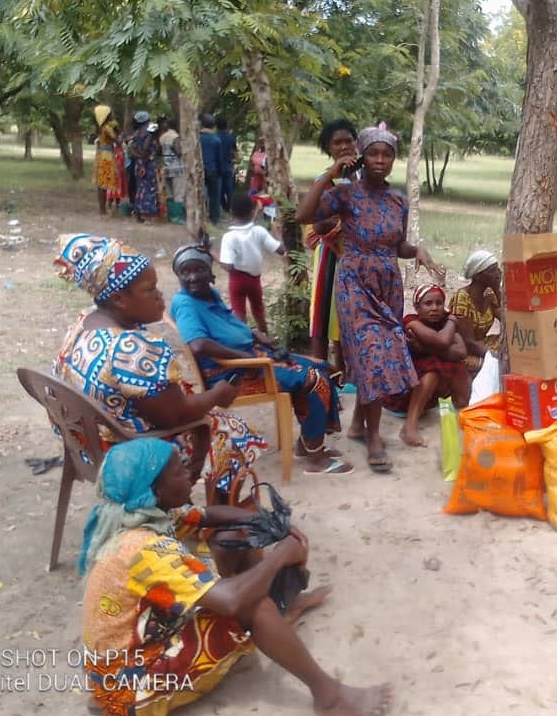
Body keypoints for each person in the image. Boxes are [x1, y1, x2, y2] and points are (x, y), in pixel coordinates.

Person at [79, 438, 393, 716]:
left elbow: (207, 515)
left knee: (233, 538)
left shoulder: (139, 513)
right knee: (254, 607)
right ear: (154, 490)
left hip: (121, 660)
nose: (191, 475)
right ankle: (329, 696)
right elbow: (231, 600)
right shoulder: (143, 549)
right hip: (130, 688)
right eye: (179, 471)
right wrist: (281, 554)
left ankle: (279, 620)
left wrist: (262, 521)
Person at [52, 233, 268, 502]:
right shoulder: (132, 348)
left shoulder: (85, 323)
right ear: (119, 299)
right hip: (126, 452)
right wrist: (218, 395)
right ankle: (206, 521)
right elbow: (174, 417)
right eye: (149, 289)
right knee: (233, 431)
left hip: (86, 445)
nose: (159, 295)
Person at [295, 126, 444, 473]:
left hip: (387, 283)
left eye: (387, 154)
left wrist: (417, 251)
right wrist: (330, 175)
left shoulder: (398, 200)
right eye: (374, 153)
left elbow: (397, 244)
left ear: (394, 159)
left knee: (380, 353)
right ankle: (375, 437)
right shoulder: (346, 194)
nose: (380, 160)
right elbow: (305, 217)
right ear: (362, 156)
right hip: (354, 281)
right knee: (372, 352)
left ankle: (359, 424)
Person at [169, 245, 350, 475]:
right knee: (314, 380)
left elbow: (229, 325)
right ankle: (315, 456)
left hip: (253, 358)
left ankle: (307, 443)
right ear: (178, 275)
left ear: (210, 271)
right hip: (233, 374)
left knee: (323, 366)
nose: (193, 276)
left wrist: (255, 335)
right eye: (186, 271)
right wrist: (246, 358)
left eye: (199, 269)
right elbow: (199, 344)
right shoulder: (186, 303)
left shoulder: (207, 293)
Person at [382, 284, 470, 447]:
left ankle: (461, 408)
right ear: (417, 307)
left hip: (427, 396)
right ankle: (409, 426)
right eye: (428, 304)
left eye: (439, 303)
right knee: (432, 369)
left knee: (457, 367)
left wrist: (424, 348)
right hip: (403, 392)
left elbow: (460, 352)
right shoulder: (411, 322)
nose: (435, 308)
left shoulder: (443, 324)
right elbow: (442, 341)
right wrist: (452, 320)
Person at [307, 119, 358, 370]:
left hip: (359, 255)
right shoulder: (325, 180)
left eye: (349, 140)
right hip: (330, 251)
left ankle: (345, 369)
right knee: (324, 310)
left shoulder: (365, 176)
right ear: (329, 148)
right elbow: (317, 222)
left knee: (347, 312)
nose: (344, 146)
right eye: (337, 143)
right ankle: (320, 372)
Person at [220, 193, 286, 332]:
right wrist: (278, 233)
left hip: (237, 280)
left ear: (231, 213)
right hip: (255, 279)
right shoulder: (259, 231)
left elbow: (228, 266)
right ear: (252, 212)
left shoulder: (229, 237)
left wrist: (212, 254)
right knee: (259, 311)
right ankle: (266, 340)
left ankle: (243, 342)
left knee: (239, 313)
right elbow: (280, 250)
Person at [448, 250, 502, 375]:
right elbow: (468, 342)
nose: (498, 273)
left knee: (510, 343)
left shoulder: (489, 294)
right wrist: (494, 356)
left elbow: (509, 324)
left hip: (481, 345)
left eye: (498, 269)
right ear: (477, 275)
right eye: (492, 270)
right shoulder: (462, 298)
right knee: (499, 367)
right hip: (465, 352)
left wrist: (497, 291)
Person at [129, 112, 163, 224]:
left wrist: (139, 157)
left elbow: (132, 149)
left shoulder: (136, 133)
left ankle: (138, 213)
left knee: (140, 188)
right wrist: (144, 157)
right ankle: (148, 216)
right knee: (149, 189)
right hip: (148, 163)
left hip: (139, 163)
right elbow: (146, 147)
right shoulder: (151, 129)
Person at [92, 105, 125, 216]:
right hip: (107, 156)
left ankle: (102, 210)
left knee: (101, 184)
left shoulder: (100, 127)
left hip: (101, 155)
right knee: (103, 184)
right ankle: (103, 211)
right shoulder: (107, 128)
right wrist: (121, 133)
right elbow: (118, 141)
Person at [200, 114, 223, 225]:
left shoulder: (197, 138)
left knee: (199, 193)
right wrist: (220, 171)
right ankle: (214, 218)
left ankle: (200, 216)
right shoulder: (216, 140)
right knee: (214, 195)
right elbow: (219, 158)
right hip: (213, 170)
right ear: (213, 126)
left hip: (199, 169)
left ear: (201, 124)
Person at [158, 117, 185, 214]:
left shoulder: (162, 137)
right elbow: (178, 152)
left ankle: (171, 215)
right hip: (176, 169)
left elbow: (160, 152)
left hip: (166, 167)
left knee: (169, 194)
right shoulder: (175, 137)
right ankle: (177, 216)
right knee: (178, 194)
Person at [247, 139, 276, 225]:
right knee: (258, 201)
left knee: (259, 202)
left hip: (271, 199)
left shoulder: (272, 176)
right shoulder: (266, 175)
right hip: (265, 192)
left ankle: (252, 221)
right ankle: (252, 221)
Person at [216, 115, 238, 214]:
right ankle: (231, 207)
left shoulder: (215, 137)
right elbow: (235, 153)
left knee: (218, 188)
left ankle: (223, 206)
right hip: (228, 166)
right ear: (226, 126)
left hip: (217, 167)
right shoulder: (231, 138)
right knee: (229, 188)